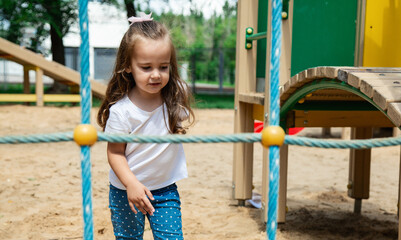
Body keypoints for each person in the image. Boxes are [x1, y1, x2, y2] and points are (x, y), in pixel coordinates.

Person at [97, 12, 195, 240]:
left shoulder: (174, 98)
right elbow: (114, 153)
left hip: (164, 189)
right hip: (126, 190)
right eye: (146, 67)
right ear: (128, 66)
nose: (156, 75)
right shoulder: (122, 111)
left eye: (163, 67)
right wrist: (131, 184)